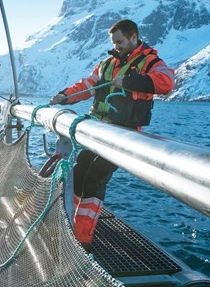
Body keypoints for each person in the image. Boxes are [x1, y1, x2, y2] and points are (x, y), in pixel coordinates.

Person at [49, 19, 174, 250]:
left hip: (123, 134)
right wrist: (63, 96)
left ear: (134, 37)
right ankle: (70, 222)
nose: (116, 46)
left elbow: (167, 82)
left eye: (120, 41)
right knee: (81, 170)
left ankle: (82, 240)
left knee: (96, 176)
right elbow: (86, 85)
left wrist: (130, 81)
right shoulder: (106, 64)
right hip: (98, 129)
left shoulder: (150, 61)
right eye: (114, 42)